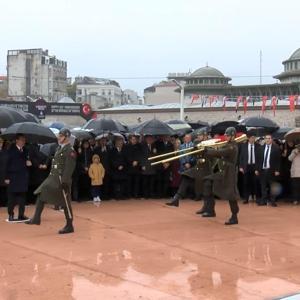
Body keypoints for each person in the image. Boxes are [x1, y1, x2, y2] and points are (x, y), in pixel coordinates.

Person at [25, 128, 77, 234]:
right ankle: (36, 218)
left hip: (61, 180)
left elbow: (69, 167)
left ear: (67, 137)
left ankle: (69, 225)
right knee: (41, 193)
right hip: (53, 178)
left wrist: (65, 181)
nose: (59, 137)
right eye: (59, 135)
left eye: (61, 136)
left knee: (65, 203)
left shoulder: (70, 150)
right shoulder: (59, 148)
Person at [201, 127, 240, 225]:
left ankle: (234, 217)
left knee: (231, 195)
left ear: (232, 136)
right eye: (226, 135)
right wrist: (208, 150)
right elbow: (218, 154)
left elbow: (220, 152)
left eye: (228, 135)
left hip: (229, 173)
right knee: (207, 182)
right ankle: (210, 209)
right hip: (223, 172)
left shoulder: (233, 147)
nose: (226, 137)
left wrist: (207, 151)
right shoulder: (227, 145)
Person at [166, 128, 212, 208]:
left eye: (200, 135)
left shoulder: (210, 144)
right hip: (197, 168)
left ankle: (208, 208)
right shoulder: (197, 143)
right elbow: (194, 153)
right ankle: (176, 199)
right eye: (198, 136)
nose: (198, 137)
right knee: (186, 177)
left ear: (205, 136)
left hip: (206, 169)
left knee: (207, 189)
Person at [5, 134, 32, 222]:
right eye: (21, 140)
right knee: (11, 198)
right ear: (17, 140)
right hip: (13, 177)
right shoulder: (10, 150)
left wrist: (29, 163)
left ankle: (21, 215)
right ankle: (11, 214)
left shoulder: (26, 150)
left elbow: (27, 161)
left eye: (24, 140)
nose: (23, 142)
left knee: (22, 198)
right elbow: (6, 165)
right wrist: (6, 177)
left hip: (23, 177)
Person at [255, 134, 281, 207]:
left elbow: (278, 160)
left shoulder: (276, 148)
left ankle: (272, 201)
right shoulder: (261, 148)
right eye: (266, 138)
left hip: (272, 170)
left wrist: (277, 170)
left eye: (269, 138)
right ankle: (263, 201)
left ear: (271, 139)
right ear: (264, 139)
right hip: (262, 170)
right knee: (263, 186)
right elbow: (258, 160)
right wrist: (256, 169)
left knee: (272, 186)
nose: (267, 140)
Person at [239, 134, 259, 204]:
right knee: (246, 183)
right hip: (246, 166)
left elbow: (260, 158)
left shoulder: (258, 146)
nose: (253, 139)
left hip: (255, 166)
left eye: (254, 138)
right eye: (251, 138)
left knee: (255, 182)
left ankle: (256, 197)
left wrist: (258, 168)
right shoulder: (243, 146)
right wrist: (241, 167)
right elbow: (241, 157)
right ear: (248, 138)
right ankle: (246, 198)